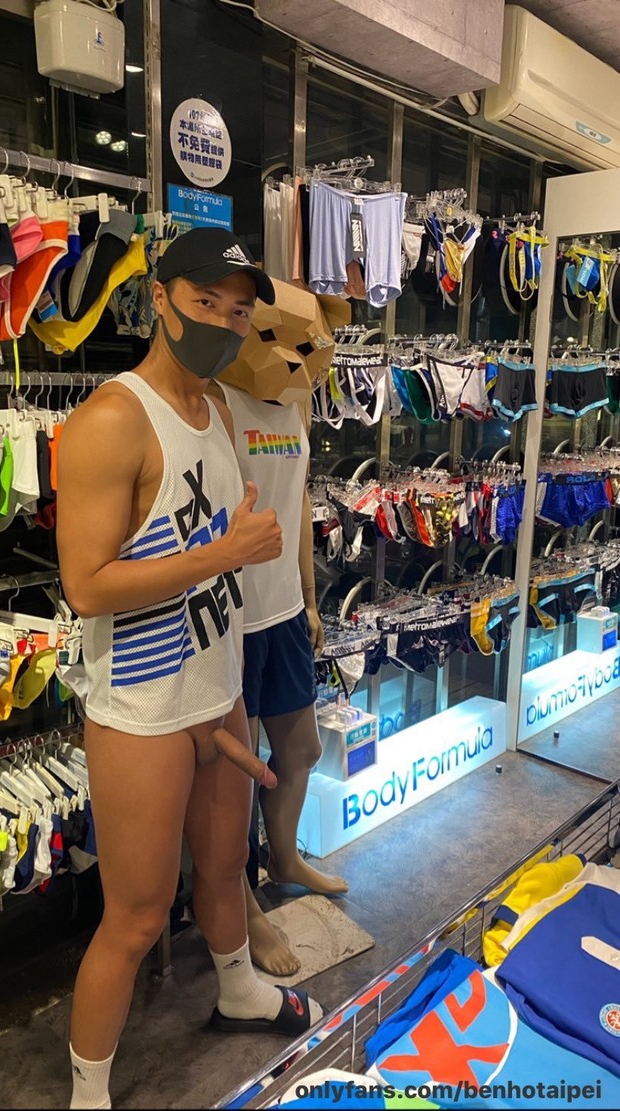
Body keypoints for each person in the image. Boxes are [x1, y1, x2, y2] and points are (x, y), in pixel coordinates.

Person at [57, 228, 322, 1111]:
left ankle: (239, 990)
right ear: (161, 300)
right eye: (206, 301)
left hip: (216, 683)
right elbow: (86, 585)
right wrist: (224, 555)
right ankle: (87, 1092)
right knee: (135, 918)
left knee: (223, 865)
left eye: (238, 311)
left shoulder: (215, 408)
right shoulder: (111, 418)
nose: (222, 321)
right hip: (141, 707)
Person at [212, 305, 348, 978]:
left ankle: (285, 857)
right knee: (232, 782)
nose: (295, 356)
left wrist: (312, 597)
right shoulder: (217, 403)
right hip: (231, 621)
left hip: (287, 612)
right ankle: (239, 905)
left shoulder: (295, 407)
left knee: (301, 749)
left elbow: (296, 504)